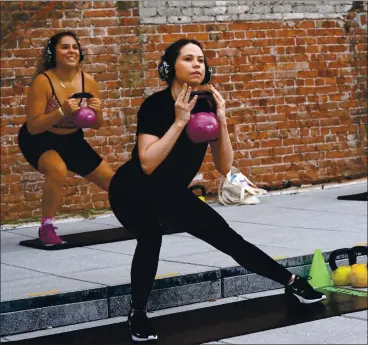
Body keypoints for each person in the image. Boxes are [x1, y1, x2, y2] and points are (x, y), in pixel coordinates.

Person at [108, 39, 326, 343]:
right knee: (149, 237)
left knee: (225, 236)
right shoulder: (155, 106)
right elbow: (147, 162)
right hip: (132, 191)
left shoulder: (206, 103)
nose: (198, 64)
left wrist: (222, 122)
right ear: (170, 68)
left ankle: (291, 281)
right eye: (188, 59)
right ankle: (138, 313)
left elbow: (224, 166)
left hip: (170, 192)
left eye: (200, 59)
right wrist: (179, 121)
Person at [18, 31, 115, 246]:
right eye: (64, 47)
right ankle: (47, 227)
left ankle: (142, 214)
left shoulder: (88, 81)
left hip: (72, 139)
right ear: (54, 53)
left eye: (74, 47)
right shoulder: (43, 82)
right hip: (40, 139)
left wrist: (98, 112)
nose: (71, 51)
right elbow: (33, 126)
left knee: (113, 183)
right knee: (57, 170)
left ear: (80, 53)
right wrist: (61, 112)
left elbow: (96, 125)